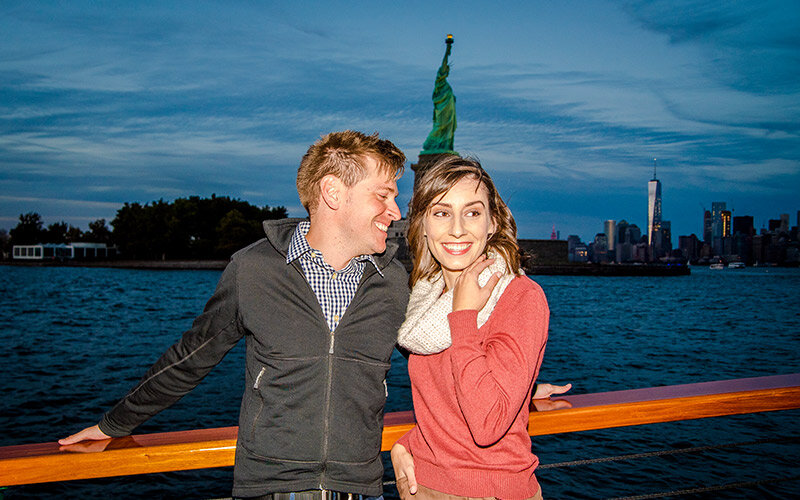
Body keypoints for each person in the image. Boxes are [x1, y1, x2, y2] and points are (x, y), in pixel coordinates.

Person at [60, 130, 411, 499]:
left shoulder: (392, 282)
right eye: (383, 195)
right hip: (270, 489)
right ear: (333, 192)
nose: (396, 212)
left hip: (362, 489)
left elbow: (436, 368)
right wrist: (114, 423)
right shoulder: (253, 270)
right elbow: (190, 358)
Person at [391, 155, 558, 499]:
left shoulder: (520, 297)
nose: (456, 229)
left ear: (492, 223)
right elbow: (441, 407)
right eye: (441, 212)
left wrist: (464, 317)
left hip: (491, 492)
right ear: (422, 223)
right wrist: (404, 445)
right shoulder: (426, 300)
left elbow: (488, 424)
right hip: (420, 486)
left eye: (472, 212)